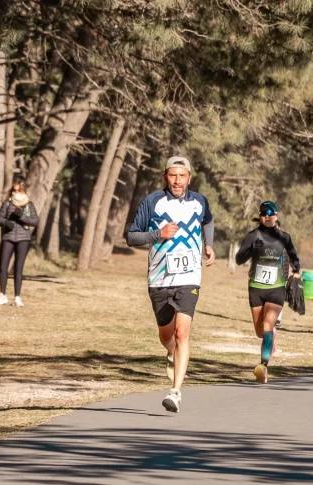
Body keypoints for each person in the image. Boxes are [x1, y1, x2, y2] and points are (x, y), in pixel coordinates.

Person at [127, 156, 216, 413]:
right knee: (167, 336)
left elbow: (207, 220)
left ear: (189, 177)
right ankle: (170, 353)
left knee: (182, 332)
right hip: (159, 278)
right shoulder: (153, 201)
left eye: (182, 176)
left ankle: (175, 392)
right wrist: (158, 234)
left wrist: (208, 244)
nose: (177, 181)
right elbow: (132, 236)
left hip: (189, 276)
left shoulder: (199, 201)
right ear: (166, 176)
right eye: (172, 175)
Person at [236, 201, 300, 383]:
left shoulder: (284, 237)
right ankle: (268, 341)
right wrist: (250, 251)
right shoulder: (252, 236)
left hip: (276, 288)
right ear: (260, 216)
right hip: (256, 288)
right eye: (264, 213)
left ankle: (263, 366)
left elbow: (294, 257)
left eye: (271, 213)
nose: (268, 216)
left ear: (276, 215)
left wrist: (296, 270)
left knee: (267, 325)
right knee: (259, 331)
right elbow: (239, 258)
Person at [0, 179, 39, 307]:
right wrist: (5, 222)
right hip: (8, 237)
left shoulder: (29, 205)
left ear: (24, 190)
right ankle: (2, 295)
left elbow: (35, 221)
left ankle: (17, 297)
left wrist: (22, 217)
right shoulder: (7, 204)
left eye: (19, 190)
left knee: (18, 268)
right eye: (14, 190)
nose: (16, 192)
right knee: (3, 267)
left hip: (23, 239)